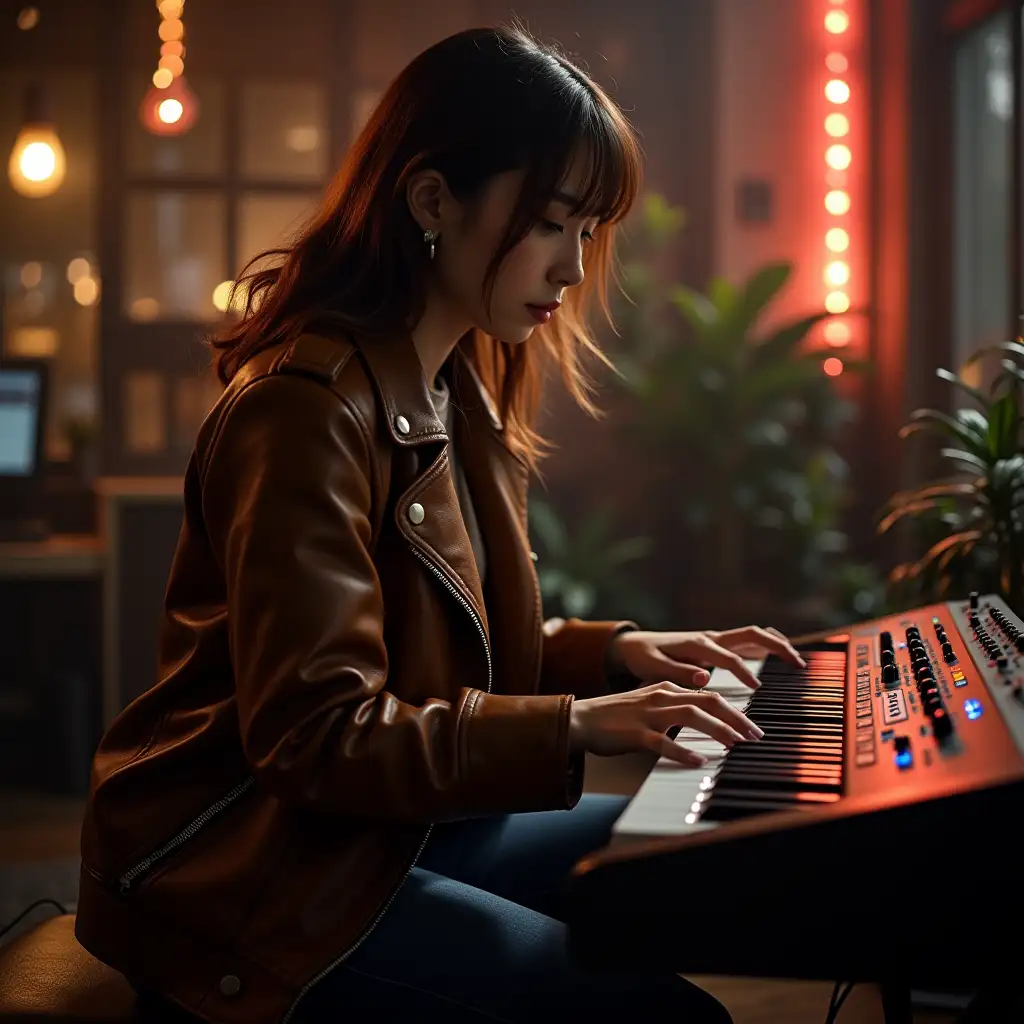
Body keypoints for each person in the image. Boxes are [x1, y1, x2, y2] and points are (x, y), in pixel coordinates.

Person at [74, 22, 807, 1024]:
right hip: (262, 876)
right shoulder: (302, 410)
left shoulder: (453, 383)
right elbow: (319, 733)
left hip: (392, 828)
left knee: (711, 859)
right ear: (431, 199)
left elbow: (434, 650)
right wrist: (580, 722)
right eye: (553, 222)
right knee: (667, 1015)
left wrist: (625, 655)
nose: (572, 266)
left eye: (589, 231)